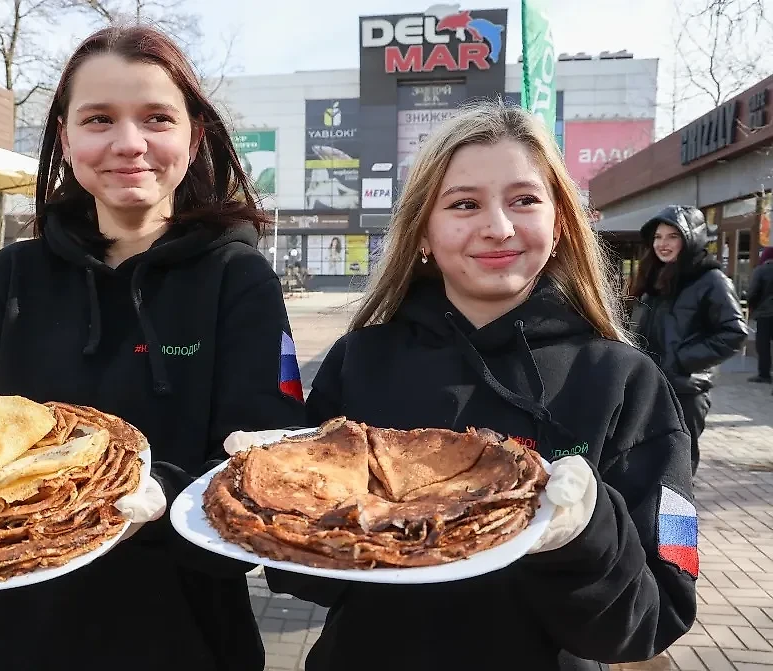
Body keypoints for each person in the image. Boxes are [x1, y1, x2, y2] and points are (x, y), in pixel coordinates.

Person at [247, 100, 696, 670]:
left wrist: (584, 532)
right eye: (464, 204)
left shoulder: (625, 382)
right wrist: (289, 501)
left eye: (524, 200)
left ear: (560, 224)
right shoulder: (359, 361)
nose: (498, 227)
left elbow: (652, 621)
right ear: (423, 234)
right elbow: (300, 581)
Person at [0, 25, 306, 671]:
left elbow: (267, 464)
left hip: (188, 633)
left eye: (156, 117)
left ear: (194, 135)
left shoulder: (237, 278)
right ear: (66, 136)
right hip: (28, 633)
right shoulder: (12, 277)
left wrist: (157, 493)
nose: (129, 144)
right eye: (99, 119)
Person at [629, 206, 747, 474]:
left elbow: (734, 332)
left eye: (673, 236)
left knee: (677, 471)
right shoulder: (654, 276)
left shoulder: (710, 279)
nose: (663, 244)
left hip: (684, 392)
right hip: (648, 387)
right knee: (644, 468)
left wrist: (681, 360)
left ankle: (675, 518)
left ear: (690, 237)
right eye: (658, 237)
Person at [747, 246, 773, 384]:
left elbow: (753, 292)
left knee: (763, 344)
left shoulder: (761, 271)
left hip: (765, 313)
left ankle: (764, 374)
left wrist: (752, 307)